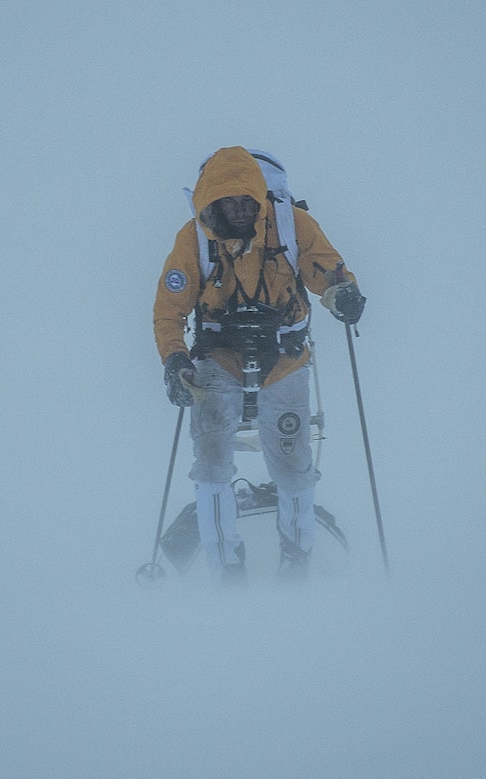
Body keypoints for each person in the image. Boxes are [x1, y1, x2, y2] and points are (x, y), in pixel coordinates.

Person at [153, 147, 365, 581]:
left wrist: (343, 294)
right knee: (210, 461)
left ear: (261, 197)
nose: (241, 208)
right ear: (211, 201)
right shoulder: (192, 240)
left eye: (248, 200)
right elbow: (169, 309)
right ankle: (226, 567)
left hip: (285, 361)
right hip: (217, 362)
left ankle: (297, 559)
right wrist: (175, 360)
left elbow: (328, 270)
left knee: (293, 464)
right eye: (229, 201)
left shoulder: (293, 225)